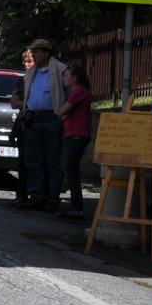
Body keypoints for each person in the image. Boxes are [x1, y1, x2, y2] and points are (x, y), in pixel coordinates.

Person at [11, 38, 68, 212]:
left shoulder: (60, 70)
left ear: (46, 52)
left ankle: (52, 198)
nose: (33, 55)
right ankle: (36, 197)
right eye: (33, 51)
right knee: (33, 160)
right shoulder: (31, 73)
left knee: (52, 160)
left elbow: (69, 94)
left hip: (52, 118)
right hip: (33, 118)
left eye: (36, 51)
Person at [56, 62, 92, 219]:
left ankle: (77, 207)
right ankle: (76, 206)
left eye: (66, 76)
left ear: (75, 78)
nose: (63, 78)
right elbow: (64, 114)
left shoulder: (79, 92)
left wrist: (62, 113)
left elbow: (62, 112)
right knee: (70, 169)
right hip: (73, 133)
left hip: (78, 134)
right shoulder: (75, 93)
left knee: (71, 169)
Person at [10, 48, 36, 205]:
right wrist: (30, 104)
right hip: (24, 123)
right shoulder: (22, 80)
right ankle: (21, 194)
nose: (26, 65)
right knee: (23, 161)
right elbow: (14, 103)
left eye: (29, 61)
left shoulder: (45, 79)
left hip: (37, 122)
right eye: (24, 62)